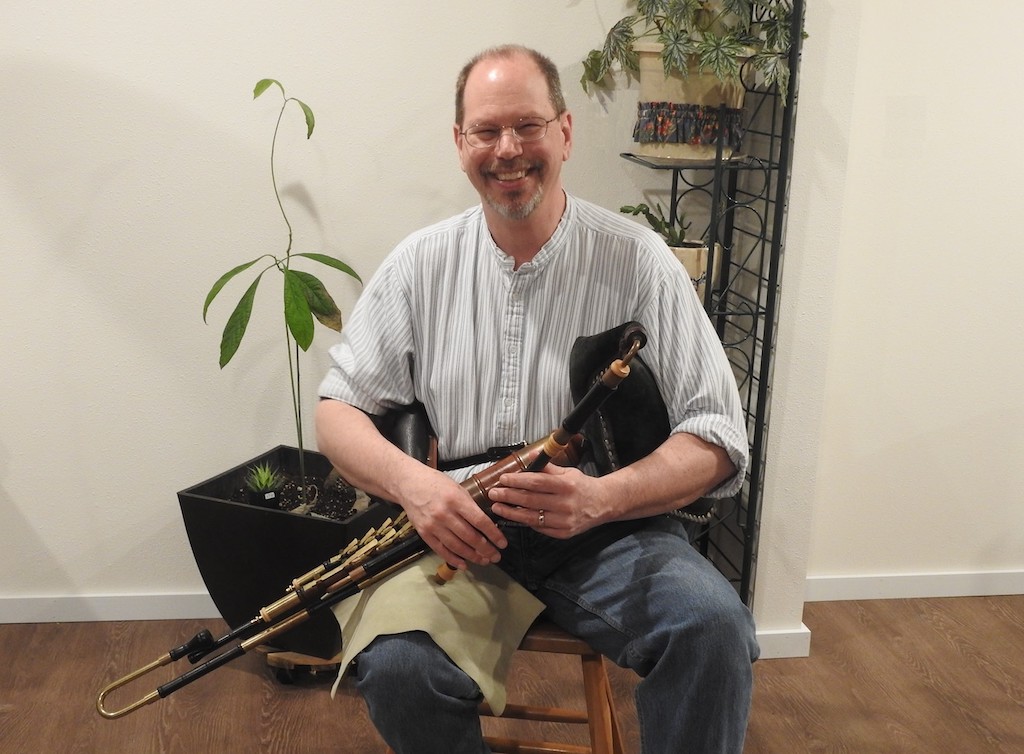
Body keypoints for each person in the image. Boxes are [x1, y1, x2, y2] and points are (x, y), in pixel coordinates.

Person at [316, 44, 759, 754]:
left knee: (712, 628)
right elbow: (338, 411)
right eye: (487, 131)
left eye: (528, 125)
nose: (508, 149)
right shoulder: (418, 264)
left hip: (609, 530)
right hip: (459, 529)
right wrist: (419, 490)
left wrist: (604, 498)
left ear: (566, 133)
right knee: (397, 668)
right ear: (460, 143)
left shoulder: (639, 259)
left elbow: (717, 434)